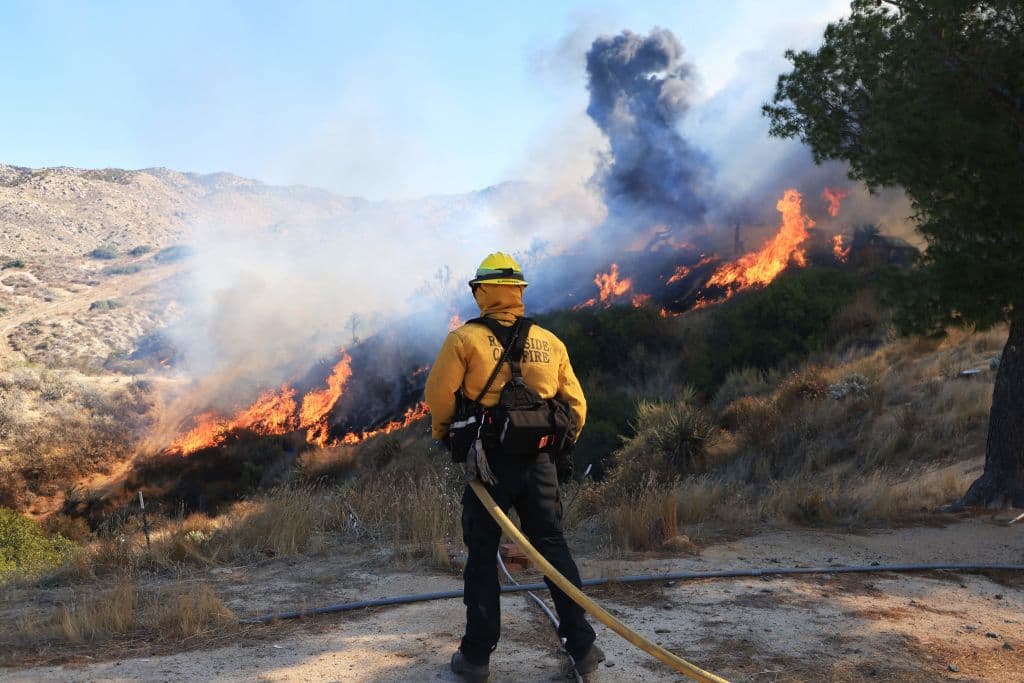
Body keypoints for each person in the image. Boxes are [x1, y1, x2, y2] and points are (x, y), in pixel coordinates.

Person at [425, 252, 604, 682]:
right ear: (518, 292)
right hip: (540, 461)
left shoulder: (463, 340)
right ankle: (583, 648)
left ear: (482, 292)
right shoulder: (551, 342)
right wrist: (558, 450)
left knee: (482, 556)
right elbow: (577, 406)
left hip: (489, 464)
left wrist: (446, 435)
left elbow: (438, 395)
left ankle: (476, 658)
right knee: (552, 547)